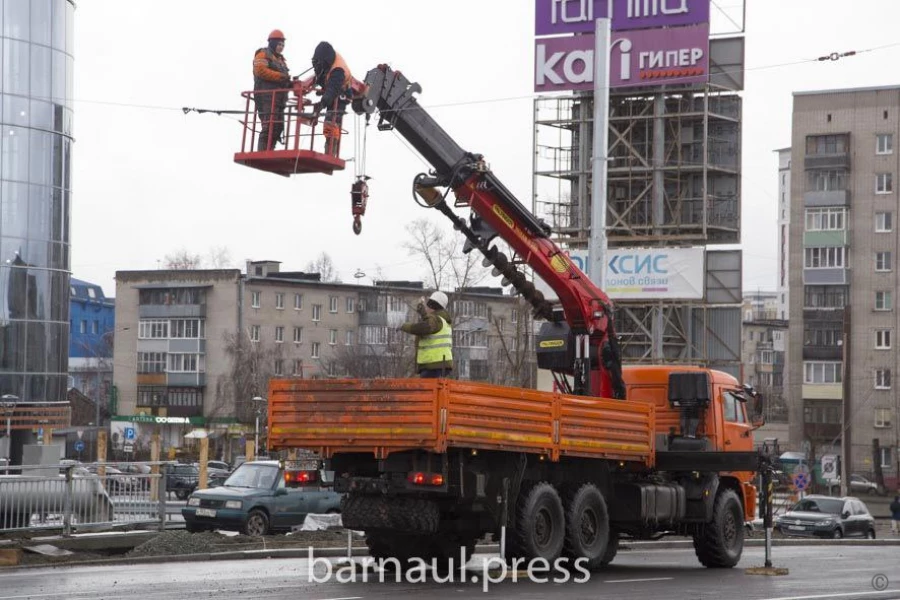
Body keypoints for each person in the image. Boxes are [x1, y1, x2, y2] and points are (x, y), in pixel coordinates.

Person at [310, 41, 353, 156]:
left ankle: (330, 152)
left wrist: (322, 103)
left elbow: (333, 90)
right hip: (334, 91)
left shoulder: (338, 70)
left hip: (342, 94)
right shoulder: (323, 60)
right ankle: (329, 150)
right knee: (330, 123)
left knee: (331, 122)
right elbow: (322, 76)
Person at [399, 291, 453, 378]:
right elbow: (429, 322)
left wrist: (404, 326)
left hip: (434, 365)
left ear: (432, 306)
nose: (426, 307)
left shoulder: (437, 320)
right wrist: (423, 314)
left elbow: (425, 327)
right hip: (438, 365)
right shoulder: (442, 320)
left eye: (428, 305)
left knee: (426, 390)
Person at [253, 29, 291, 151]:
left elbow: (283, 79)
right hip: (266, 96)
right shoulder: (262, 54)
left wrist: (288, 82)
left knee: (278, 126)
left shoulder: (281, 61)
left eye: (283, 45)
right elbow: (260, 71)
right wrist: (281, 77)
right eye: (279, 44)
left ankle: (269, 150)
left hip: (279, 98)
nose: (281, 47)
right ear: (273, 43)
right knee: (269, 125)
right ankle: (262, 151)